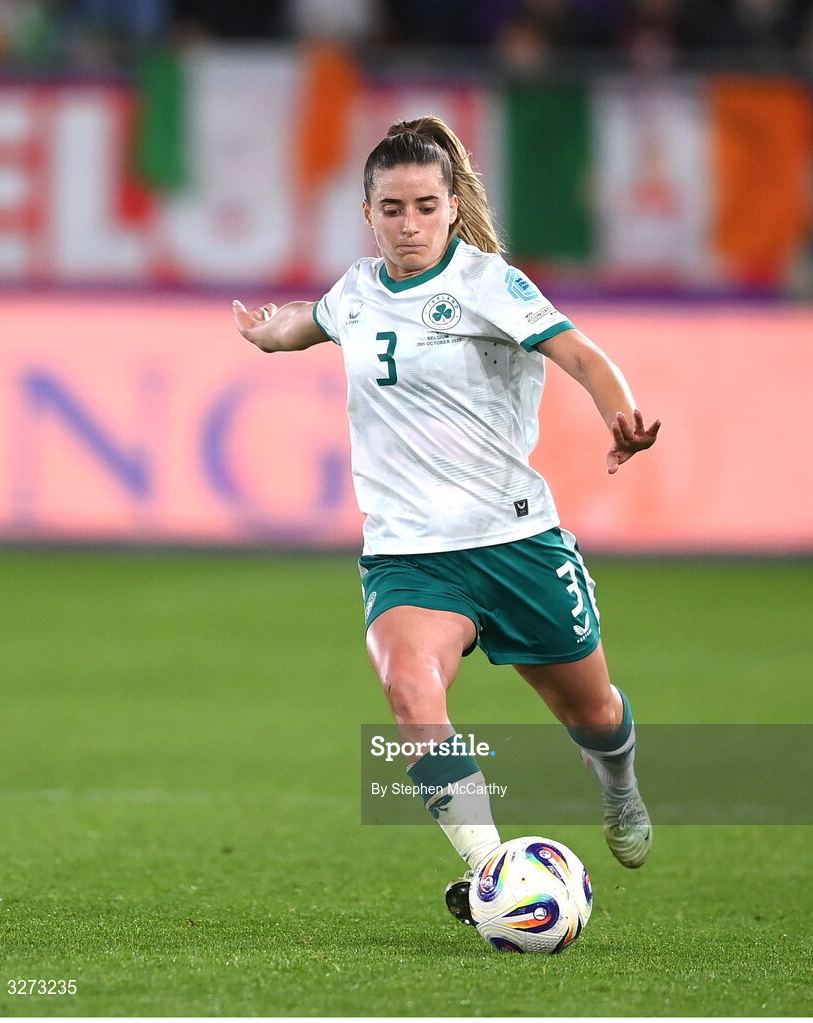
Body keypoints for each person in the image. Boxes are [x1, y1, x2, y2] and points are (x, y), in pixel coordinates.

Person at [232, 116, 661, 926]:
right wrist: (270, 332)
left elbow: (581, 355)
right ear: (368, 212)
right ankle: (493, 870)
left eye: (425, 206)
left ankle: (619, 787)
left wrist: (621, 416)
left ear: (453, 207)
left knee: (593, 713)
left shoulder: (488, 283)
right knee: (407, 691)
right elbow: (309, 322)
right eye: (391, 208)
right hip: (411, 556)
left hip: (515, 541)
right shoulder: (356, 290)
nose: (409, 225)